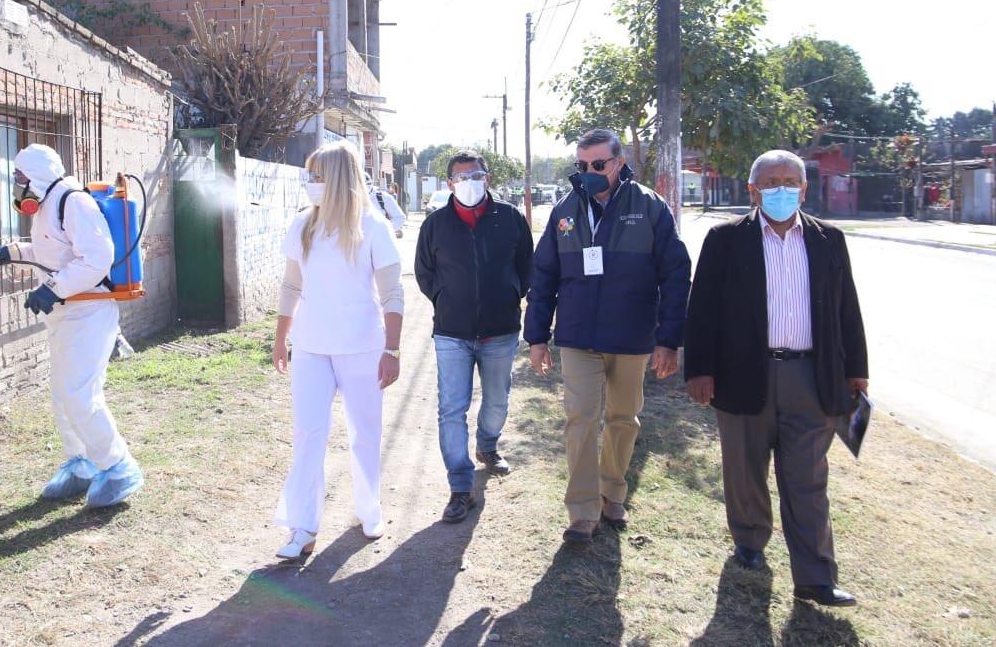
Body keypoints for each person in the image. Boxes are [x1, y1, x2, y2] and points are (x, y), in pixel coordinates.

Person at [684, 149, 868, 608]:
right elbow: (702, 309)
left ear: (805, 190)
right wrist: (699, 370)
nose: (781, 189)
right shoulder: (725, 239)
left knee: (808, 478)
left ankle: (816, 576)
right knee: (744, 470)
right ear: (753, 190)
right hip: (744, 373)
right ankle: (749, 540)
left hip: (812, 376)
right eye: (771, 182)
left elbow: (847, 308)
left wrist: (856, 372)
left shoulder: (829, 240)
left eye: (790, 182)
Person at [523, 128, 690, 543]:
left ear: (618, 163)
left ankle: (612, 492)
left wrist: (669, 339)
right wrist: (538, 337)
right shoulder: (565, 210)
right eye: (582, 166)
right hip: (578, 337)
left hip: (632, 336)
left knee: (623, 418)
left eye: (598, 164)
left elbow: (675, 274)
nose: (590, 172)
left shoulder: (649, 207)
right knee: (580, 419)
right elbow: (543, 275)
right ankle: (582, 511)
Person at [0, 143, 143, 508]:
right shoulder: (47, 203)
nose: (16, 183)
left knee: (80, 395)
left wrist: (53, 289)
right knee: (62, 393)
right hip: (67, 313)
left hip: (90, 311)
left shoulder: (73, 201)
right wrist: (8, 253)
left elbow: (99, 258)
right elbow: (50, 251)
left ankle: (118, 466)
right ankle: (81, 463)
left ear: (35, 175)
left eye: (19, 176)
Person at [272, 141, 405, 560]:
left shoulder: (372, 227)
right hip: (311, 347)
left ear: (339, 179)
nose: (311, 183)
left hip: (362, 347)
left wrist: (393, 350)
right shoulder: (302, 226)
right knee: (308, 433)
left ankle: (369, 510)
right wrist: (280, 337)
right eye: (309, 175)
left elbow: (393, 294)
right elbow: (292, 285)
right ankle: (302, 527)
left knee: (364, 433)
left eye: (317, 175)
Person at [415, 150, 533, 523]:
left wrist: (512, 292)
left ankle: (487, 445)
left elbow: (527, 266)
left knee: (497, 401)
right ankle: (460, 486)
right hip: (452, 332)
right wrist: (443, 298)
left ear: (488, 178)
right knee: (451, 408)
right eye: (461, 177)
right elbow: (424, 272)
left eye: (476, 175)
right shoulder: (435, 224)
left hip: (500, 331)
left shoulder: (510, 219)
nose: (469, 183)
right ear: (449, 183)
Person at [366, 171, 407, 238]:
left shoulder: (382, 197)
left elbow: (400, 218)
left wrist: (384, 229)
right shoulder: (346, 198)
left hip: (379, 241)